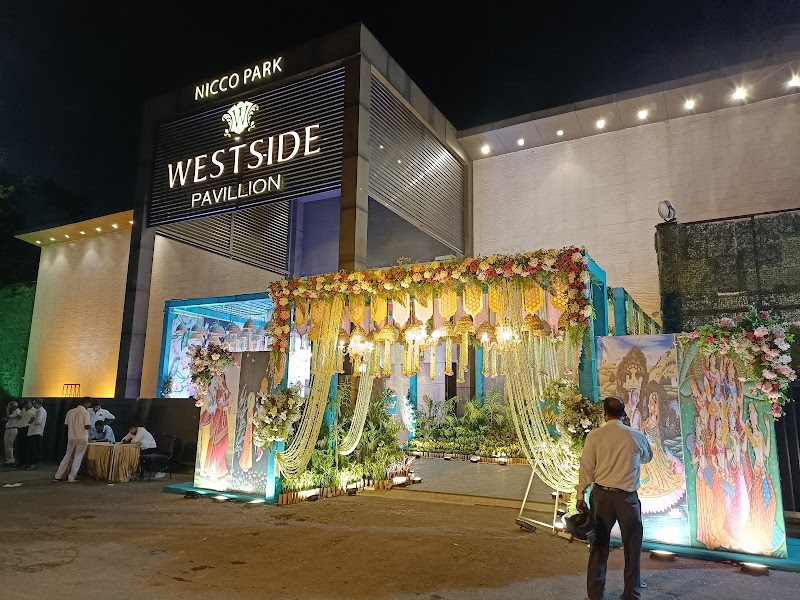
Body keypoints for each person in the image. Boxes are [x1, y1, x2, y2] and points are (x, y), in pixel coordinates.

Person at [578, 396, 653, 600]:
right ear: (623, 414)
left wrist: (580, 493)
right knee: (632, 546)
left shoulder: (594, 436)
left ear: (604, 413)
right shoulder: (635, 435)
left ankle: (595, 594)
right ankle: (632, 594)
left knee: (599, 545)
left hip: (601, 497)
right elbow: (647, 458)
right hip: (627, 499)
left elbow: (587, 467)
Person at [54, 397, 93, 483]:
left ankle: (58, 475)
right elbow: (87, 426)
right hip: (82, 437)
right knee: (78, 457)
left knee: (67, 456)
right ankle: (71, 477)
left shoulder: (70, 411)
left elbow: (66, 424)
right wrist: (90, 426)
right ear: (87, 403)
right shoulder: (85, 412)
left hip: (71, 436)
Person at [25, 399, 47, 470]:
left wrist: (32, 420)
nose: (33, 404)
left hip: (36, 432)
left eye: (34, 403)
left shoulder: (41, 411)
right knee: (32, 449)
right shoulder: (37, 411)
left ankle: (34, 464)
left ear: (38, 403)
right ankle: (31, 463)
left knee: (34, 449)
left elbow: (39, 421)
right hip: (33, 432)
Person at [14, 399, 35, 468]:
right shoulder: (23, 409)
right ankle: (20, 462)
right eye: (25, 404)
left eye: (27, 404)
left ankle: (26, 462)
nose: (26, 405)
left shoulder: (34, 410)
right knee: (20, 446)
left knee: (26, 446)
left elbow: (34, 420)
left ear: (30, 403)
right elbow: (20, 417)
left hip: (27, 428)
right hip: (20, 428)